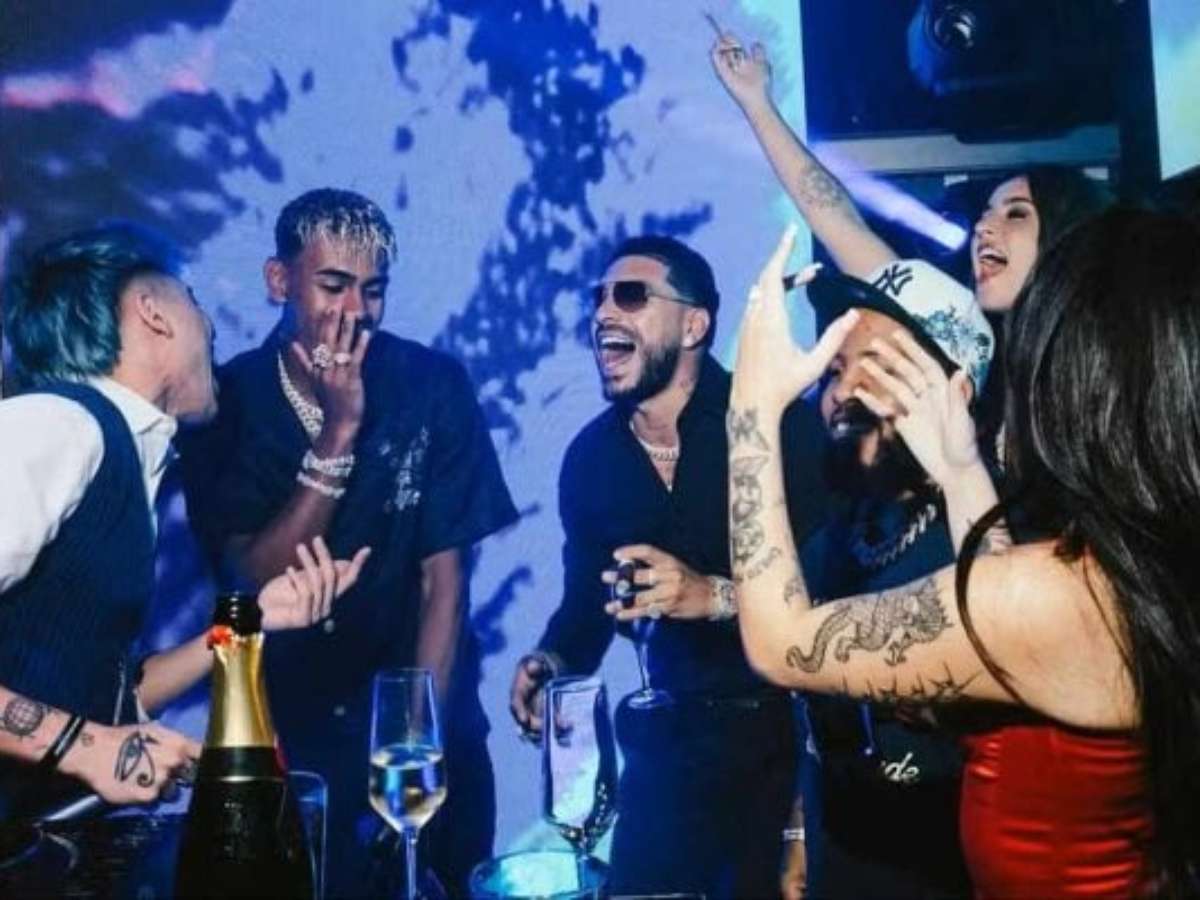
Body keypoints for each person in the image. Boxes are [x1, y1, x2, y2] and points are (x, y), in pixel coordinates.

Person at [717, 210, 1200, 895]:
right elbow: (1006, 616)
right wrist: (961, 472)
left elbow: (779, 643)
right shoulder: (1143, 573)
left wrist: (751, 406)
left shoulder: (1059, 594)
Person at [178, 189, 517, 898]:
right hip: (294, 745)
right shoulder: (226, 403)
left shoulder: (431, 384)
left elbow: (445, 584)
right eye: (333, 285)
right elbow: (248, 583)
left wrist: (417, 748)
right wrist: (339, 433)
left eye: (373, 290)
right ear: (280, 280)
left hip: (425, 727)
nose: (355, 310)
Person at [0, 223, 367, 821]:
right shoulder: (58, 426)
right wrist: (84, 747)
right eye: (192, 300)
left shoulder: (119, 460)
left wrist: (251, 619)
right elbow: (91, 736)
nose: (211, 325)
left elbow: (107, 700)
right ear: (154, 313)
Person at [509, 235, 829, 897]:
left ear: (694, 326)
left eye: (630, 295)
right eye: (598, 297)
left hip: (786, 753)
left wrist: (712, 595)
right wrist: (551, 662)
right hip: (665, 760)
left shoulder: (772, 426)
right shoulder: (591, 460)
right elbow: (587, 607)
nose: (604, 311)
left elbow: (834, 593)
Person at [780, 256, 993, 898]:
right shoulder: (832, 541)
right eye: (835, 369)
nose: (841, 391)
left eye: (874, 366)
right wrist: (799, 833)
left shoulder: (994, 539)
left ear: (954, 391)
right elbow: (810, 713)